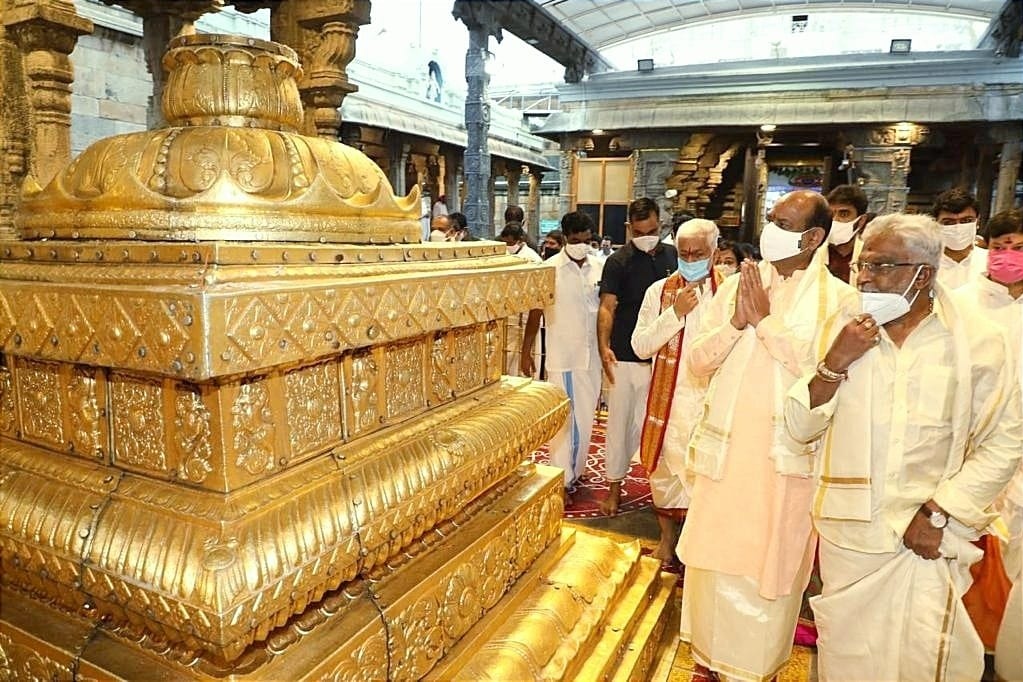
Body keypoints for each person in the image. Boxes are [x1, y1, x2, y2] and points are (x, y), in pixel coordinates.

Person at [784, 213, 1022, 682]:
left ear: (924, 273)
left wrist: (940, 513)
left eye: (881, 266)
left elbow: (1004, 439)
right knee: (847, 660)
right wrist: (836, 361)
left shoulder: (977, 341)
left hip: (930, 538)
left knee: (924, 660)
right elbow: (797, 426)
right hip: (851, 534)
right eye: (861, 266)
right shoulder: (843, 326)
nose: (866, 278)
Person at [678, 190, 857, 682]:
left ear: (814, 237)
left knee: (767, 573)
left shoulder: (840, 301)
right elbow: (697, 361)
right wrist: (737, 321)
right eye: (772, 219)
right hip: (724, 459)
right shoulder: (737, 285)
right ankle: (708, 664)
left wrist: (767, 323)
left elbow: (823, 370)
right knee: (712, 568)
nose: (771, 228)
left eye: (784, 221)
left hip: (781, 468)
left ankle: (752, 670)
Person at [953, 208, 1023, 674]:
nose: (1008, 257)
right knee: (968, 559)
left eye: (1017, 248)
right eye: (1000, 248)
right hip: (974, 449)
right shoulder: (960, 302)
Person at [631, 219, 721, 566]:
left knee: (706, 481)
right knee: (665, 476)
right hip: (668, 403)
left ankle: (700, 551)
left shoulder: (729, 291)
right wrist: (675, 314)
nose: (690, 259)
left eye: (698, 253)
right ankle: (667, 542)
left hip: (713, 403)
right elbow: (640, 346)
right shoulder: (659, 291)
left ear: (714, 251)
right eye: (683, 253)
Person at [597, 197, 678, 516]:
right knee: (619, 426)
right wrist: (604, 348)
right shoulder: (618, 261)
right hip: (625, 358)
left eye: (654, 230)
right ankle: (614, 488)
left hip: (664, 359)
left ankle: (664, 495)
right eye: (641, 231)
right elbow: (607, 306)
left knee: (663, 428)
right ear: (630, 228)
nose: (648, 236)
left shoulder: (673, 255)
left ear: (661, 224)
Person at [521, 211, 603, 502]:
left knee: (586, 418)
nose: (582, 244)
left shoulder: (600, 267)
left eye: (587, 240)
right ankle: (562, 480)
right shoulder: (550, 269)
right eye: (576, 240)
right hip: (562, 356)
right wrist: (526, 349)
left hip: (592, 358)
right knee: (564, 422)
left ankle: (576, 472)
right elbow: (534, 312)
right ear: (565, 238)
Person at [933, 187, 985, 290]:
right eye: (948, 222)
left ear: (978, 220)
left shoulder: (989, 262)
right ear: (936, 223)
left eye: (966, 221)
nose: (958, 227)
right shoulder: (926, 263)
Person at [825, 184, 870, 283]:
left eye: (844, 214)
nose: (835, 220)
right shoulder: (811, 253)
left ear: (861, 220)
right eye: (830, 214)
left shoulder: (869, 255)